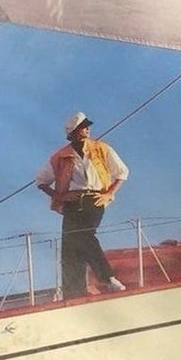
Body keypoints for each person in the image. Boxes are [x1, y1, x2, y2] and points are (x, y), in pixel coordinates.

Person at [35, 112, 130, 298]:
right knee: (70, 248)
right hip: (72, 202)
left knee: (84, 235)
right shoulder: (60, 156)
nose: (88, 129)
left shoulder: (101, 149)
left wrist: (110, 193)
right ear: (75, 132)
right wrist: (58, 196)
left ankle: (107, 277)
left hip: (94, 199)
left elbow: (122, 172)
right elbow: (41, 181)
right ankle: (73, 293)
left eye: (87, 126)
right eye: (84, 127)